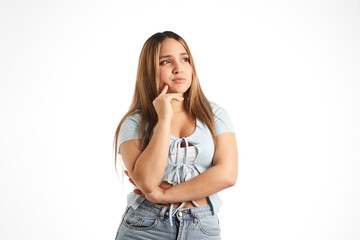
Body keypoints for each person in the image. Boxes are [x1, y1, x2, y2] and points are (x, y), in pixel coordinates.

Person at [113, 31, 238, 240]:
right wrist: (163, 120)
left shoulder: (215, 115)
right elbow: (147, 181)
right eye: (165, 62)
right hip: (145, 226)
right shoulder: (134, 122)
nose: (179, 68)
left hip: (202, 226)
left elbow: (227, 175)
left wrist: (163, 194)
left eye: (184, 59)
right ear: (150, 69)